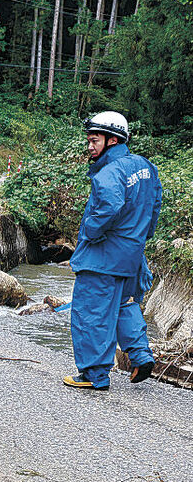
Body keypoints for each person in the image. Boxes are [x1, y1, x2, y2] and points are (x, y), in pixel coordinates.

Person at [64, 111, 161, 390]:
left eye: (94, 140)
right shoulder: (146, 167)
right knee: (124, 303)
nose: (90, 146)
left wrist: (89, 234)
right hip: (132, 255)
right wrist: (142, 236)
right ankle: (141, 356)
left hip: (103, 256)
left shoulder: (110, 172)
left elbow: (109, 207)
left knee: (90, 312)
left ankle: (94, 375)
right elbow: (154, 206)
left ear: (113, 140)